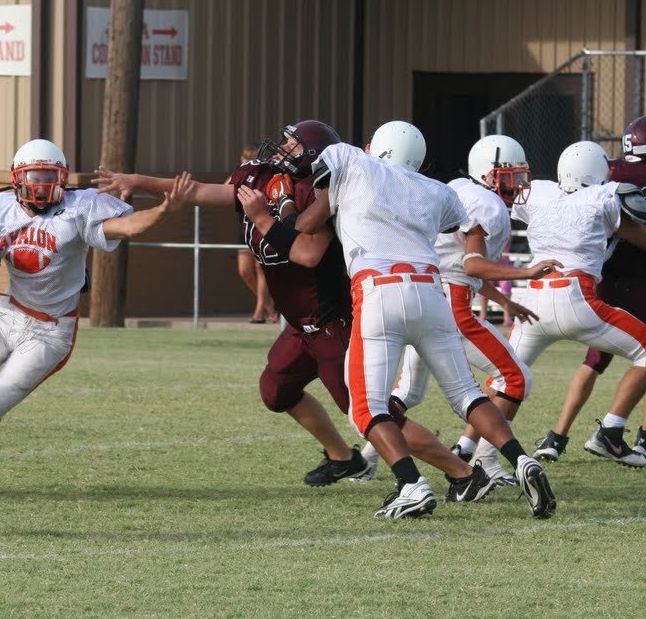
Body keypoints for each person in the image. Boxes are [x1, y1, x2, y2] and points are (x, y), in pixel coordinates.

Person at [94, 121, 498, 508]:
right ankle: (343, 458)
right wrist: (136, 182)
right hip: (300, 324)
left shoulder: (325, 193)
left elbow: (308, 254)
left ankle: (462, 472)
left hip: (332, 320)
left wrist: (264, 219)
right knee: (276, 390)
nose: (283, 149)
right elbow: (199, 191)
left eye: (294, 144)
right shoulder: (260, 178)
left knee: (371, 413)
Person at [296, 120, 557, 519]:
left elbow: (307, 223)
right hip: (432, 292)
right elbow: (460, 232)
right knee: (467, 394)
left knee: (365, 407)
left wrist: (278, 213)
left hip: (378, 289)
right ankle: (521, 460)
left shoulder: (350, 160)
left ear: (377, 148)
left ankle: (410, 484)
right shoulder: (437, 190)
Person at [0, 139, 191, 496]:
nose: (40, 184)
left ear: (63, 178)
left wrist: (164, 211)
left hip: (51, 331)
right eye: (33, 175)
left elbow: (129, 227)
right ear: (16, 178)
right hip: (6, 315)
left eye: (48, 175)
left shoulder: (80, 207)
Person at [385, 135, 563, 487]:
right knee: (516, 379)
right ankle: (487, 459)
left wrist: (504, 300)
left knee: (408, 394)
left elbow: (457, 265)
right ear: (489, 174)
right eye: (511, 176)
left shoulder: (457, 189)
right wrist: (526, 272)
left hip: (425, 294)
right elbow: (472, 265)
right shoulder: (488, 205)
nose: (519, 184)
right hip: (450, 305)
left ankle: (366, 457)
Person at [535, 115, 646, 464]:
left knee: (594, 359)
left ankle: (557, 436)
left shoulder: (606, 171)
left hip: (604, 279)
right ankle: (645, 437)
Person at [492, 140, 646, 469]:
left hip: (532, 300)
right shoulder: (604, 195)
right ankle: (611, 431)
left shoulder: (539, 192)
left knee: (505, 381)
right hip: (577, 300)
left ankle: (469, 448)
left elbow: (511, 204)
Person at [233, 144, 276, 323]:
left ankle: (259, 312)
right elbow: (224, 189)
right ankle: (270, 307)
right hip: (245, 229)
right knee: (244, 271)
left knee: (261, 269)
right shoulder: (241, 175)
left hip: (262, 226)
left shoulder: (265, 174)